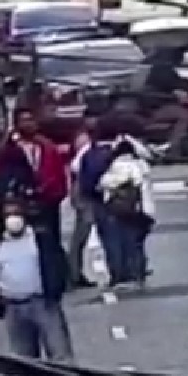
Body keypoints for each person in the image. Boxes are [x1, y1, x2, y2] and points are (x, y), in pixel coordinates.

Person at [0, 195, 76, 376]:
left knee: (60, 355)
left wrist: (55, 291)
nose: (12, 219)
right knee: (25, 360)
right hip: (13, 307)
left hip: (42, 303)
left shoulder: (40, 239)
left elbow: (58, 264)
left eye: (16, 213)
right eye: (8, 215)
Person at [0, 107, 70, 235]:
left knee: (49, 240)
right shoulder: (6, 149)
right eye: (24, 120)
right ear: (17, 124)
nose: (28, 124)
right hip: (18, 205)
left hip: (46, 202)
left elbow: (58, 174)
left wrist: (55, 194)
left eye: (31, 120)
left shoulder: (47, 147)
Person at [96, 134, 155, 289]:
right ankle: (139, 272)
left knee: (128, 242)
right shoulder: (142, 165)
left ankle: (129, 273)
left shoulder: (121, 165)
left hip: (127, 210)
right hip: (145, 210)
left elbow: (106, 182)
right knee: (138, 243)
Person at [66, 121, 111, 288]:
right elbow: (77, 167)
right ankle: (73, 273)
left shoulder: (87, 146)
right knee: (82, 234)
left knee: (82, 234)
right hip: (84, 194)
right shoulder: (87, 148)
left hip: (82, 193)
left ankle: (74, 272)